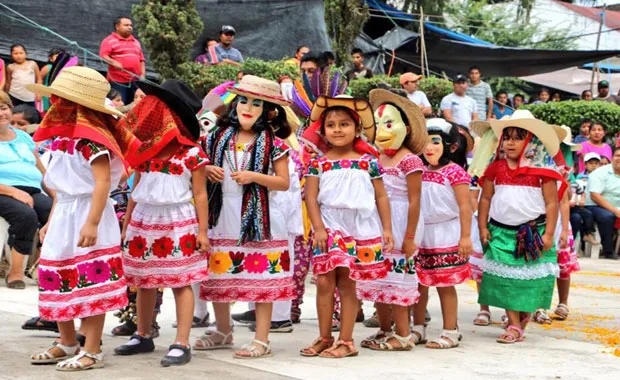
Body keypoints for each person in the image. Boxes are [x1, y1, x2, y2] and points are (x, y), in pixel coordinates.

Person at [27, 66, 130, 371]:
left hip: (89, 212)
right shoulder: (61, 139)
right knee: (59, 275)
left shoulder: (92, 141)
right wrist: (50, 221)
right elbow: (59, 188)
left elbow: (101, 183)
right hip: (65, 214)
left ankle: (94, 349)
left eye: (61, 100)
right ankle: (67, 340)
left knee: (91, 278)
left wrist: (93, 222)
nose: (55, 106)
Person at [113, 79, 209, 366]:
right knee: (144, 280)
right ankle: (143, 334)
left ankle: (181, 341)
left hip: (178, 220)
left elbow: (200, 193)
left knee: (181, 281)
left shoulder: (192, 153)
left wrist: (203, 231)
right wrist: (128, 223)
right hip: (145, 218)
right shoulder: (145, 151)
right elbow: (135, 189)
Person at [198, 75, 294, 359]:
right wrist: (205, 170)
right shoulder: (215, 138)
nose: (247, 107)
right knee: (219, 275)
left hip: (259, 217)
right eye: (243, 100)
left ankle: (261, 339)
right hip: (222, 213)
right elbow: (196, 165)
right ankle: (223, 330)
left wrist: (254, 176)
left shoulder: (275, 144)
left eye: (256, 103)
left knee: (261, 279)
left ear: (269, 111)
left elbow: (284, 182)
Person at [299, 95, 392, 358]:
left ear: (357, 129)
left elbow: (381, 196)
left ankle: (347, 340)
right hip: (329, 224)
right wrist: (318, 227)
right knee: (325, 282)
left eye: (344, 124)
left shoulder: (369, 162)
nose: (337, 129)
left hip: (360, 225)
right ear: (323, 130)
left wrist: (386, 229)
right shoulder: (319, 162)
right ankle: (325, 336)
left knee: (349, 283)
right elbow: (311, 197)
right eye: (331, 125)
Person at [478, 110, 566, 344]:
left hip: (532, 234)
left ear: (530, 140)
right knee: (505, 281)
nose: (510, 143)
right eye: (507, 137)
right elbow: (485, 199)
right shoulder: (495, 168)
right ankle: (514, 324)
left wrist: (549, 234)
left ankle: (521, 318)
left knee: (527, 282)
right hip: (500, 232)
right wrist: (482, 227)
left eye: (517, 137)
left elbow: (551, 204)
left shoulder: (543, 173)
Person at [356, 89, 426, 351]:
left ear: (405, 128)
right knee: (378, 279)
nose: (383, 130)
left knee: (398, 281)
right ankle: (385, 329)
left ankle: (404, 334)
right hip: (377, 222)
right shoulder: (377, 158)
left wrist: (409, 237)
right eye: (379, 123)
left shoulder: (410, 161)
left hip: (401, 223)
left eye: (389, 123)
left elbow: (415, 201)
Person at [410, 118, 472, 349]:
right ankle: (418, 327)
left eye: (435, 142)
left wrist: (465, 236)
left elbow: (466, 206)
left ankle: (450, 329)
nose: (429, 147)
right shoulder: (419, 171)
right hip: (422, 231)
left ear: (451, 146)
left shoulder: (455, 172)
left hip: (446, 232)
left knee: (445, 283)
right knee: (419, 283)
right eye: (425, 141)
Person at [0, 91, 53, 289]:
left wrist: (57, 195)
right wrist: (13, 192)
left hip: (32, 189)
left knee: (54, 213)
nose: (1, 113)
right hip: (3, 190)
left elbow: (40, 168)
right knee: (26, 215)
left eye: (3, 108)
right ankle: (15, 273)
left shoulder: (22, 136)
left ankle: (41, 268)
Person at [534, 128, 581, 324]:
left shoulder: (559, 167)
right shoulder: (532, 163)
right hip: (537, 222)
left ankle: (563, 302)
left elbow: (564, 200)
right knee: (538, 267)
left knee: (562, 266)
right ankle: (538, 306)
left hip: (559, 222)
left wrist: (562, 230)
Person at [99, 16, 146, 104]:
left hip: (136, 81)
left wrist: (143, 75)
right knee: (119, 105)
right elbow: (103, 55)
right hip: (118, 81)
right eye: (126, 25)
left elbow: (141, 60)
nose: (130, 27)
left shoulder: (135, 42)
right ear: (117, 26)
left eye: (131, 25)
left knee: (136, 106)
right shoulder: (109, 40)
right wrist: (114, 62)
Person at [585, 147, 620, 260]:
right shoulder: (601, 172)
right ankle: (608, 251)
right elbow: (595, 196)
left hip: (616, 205)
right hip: (594, 205)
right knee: (607, 216)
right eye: (617, 156)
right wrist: (615, 211)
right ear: (612, 158)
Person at [571, 152, 600, 247]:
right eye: (591, 163)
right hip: (575, 205)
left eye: (596, 163)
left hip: (589, 203)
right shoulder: (579, 177)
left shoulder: (601, 177)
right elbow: (579, 191)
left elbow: (581, 192)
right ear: (585, 165)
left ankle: (588, 234)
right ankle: (576, 245)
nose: (594, 166)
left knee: (588, 214)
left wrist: (582, 199)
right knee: (580, 217)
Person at [39, 48, 65, 112]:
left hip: (59, 94)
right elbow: (40, 79)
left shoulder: (65, 69)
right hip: (47, 94)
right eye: (57, 57)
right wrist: (39, 93)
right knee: (46, 111)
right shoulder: (48, 67)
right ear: (51, 59)